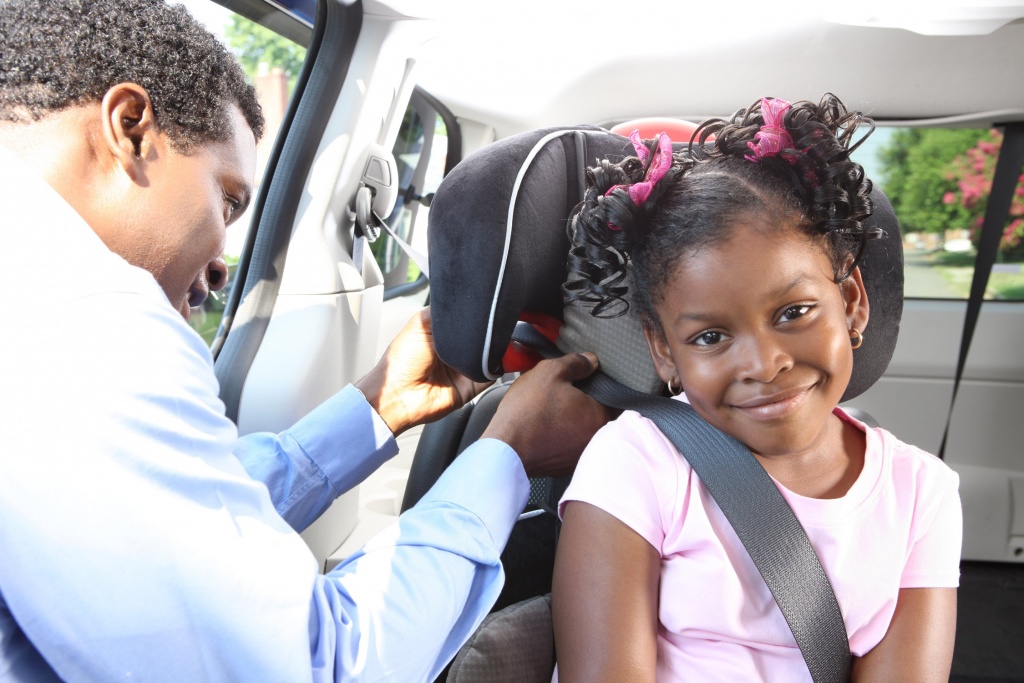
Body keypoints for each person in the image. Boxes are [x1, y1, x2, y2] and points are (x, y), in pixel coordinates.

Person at [0, 1, 610, 681]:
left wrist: (378, 406)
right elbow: (323, 666)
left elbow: (171, 516)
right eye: (228, 200)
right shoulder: (92, 323)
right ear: (130, 129)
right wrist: (509, 453)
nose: (224, 260)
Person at [551, 95, 963, 681]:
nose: (765, 364)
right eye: (712, 335)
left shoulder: (921, 492)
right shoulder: (638, 461)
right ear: (664, 349)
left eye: (794, 312)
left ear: (850, 302)